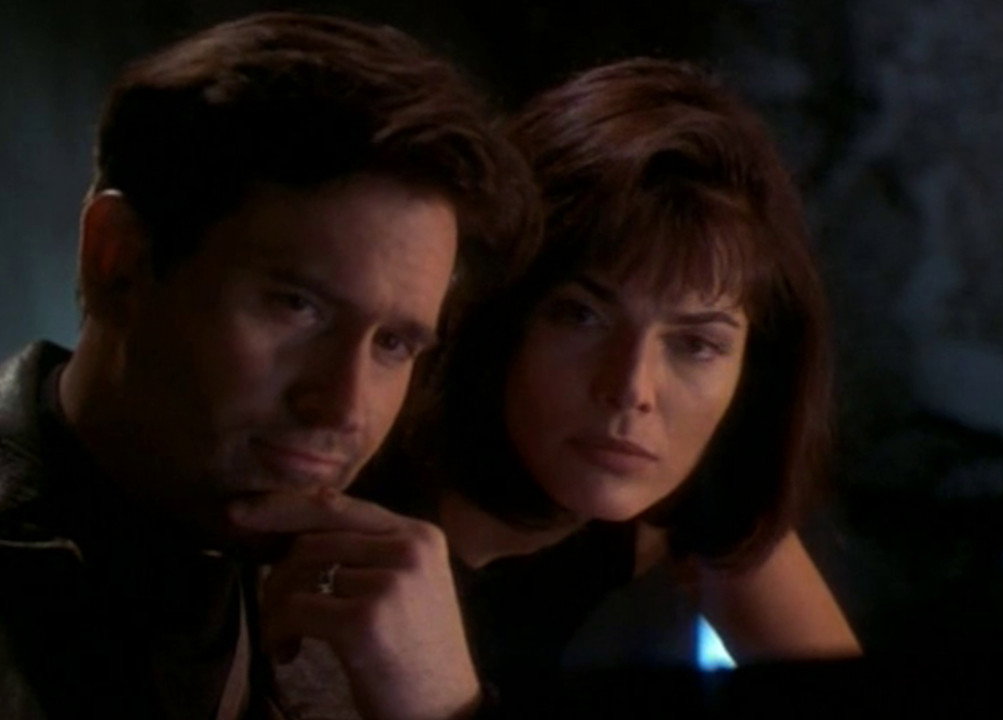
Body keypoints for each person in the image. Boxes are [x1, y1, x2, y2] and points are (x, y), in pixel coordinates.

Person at [0, 12, 538, 720]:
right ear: (119, 262)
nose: (346, 405)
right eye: (297, 306)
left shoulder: (364, 643)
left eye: (393, 344)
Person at [364, 58, 860, 708]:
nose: (632, 388)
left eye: (696, 344)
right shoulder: (354, 490)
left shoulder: (677, 497)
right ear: (500, 315)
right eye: (582, 316)